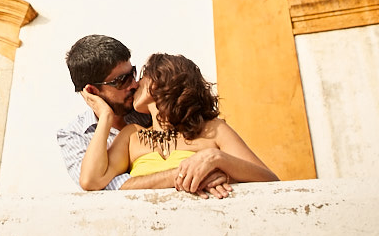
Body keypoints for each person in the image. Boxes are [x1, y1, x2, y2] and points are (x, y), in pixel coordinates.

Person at [57, 35, 235, 197]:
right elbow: (96, 187)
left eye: (132, 74)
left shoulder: (153, 115)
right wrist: (187, 174)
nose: (134, 84)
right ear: (92, 91)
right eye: (121, 81)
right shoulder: (74, 136)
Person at [79, 52, 277, 196]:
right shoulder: (132, 136)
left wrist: (217, 158)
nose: (135, 85)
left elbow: (271, 182)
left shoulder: (213, 129)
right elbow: (91, 180)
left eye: (142, 77)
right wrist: (105, 115)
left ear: (157, 83)